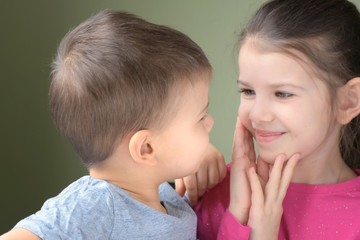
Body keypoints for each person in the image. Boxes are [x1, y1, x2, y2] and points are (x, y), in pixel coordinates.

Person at [0, 9, 225, 240]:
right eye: (200, 118)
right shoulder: (95, 206)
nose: (210, 123)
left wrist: (197, 157)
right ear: (146, 148)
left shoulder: (162, 197)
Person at [195, 0, 360, 239]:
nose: (258, 115)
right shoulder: (214, 189)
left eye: (282, 93)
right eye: (248, 91)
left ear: (349, 102)